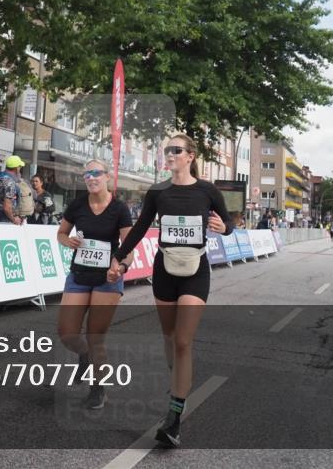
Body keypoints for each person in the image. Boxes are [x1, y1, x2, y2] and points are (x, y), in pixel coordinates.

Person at [107, 134, 234, 448]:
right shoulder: (158, 191)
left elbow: (229, 223)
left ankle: (174, 418)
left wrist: (224, 228)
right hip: (164, 268)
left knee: (182, 340)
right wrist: (119, 257)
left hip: (195, 270)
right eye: (167, 150)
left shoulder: (208, 191)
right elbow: (140, 227)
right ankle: (179, 379)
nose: (170, 154)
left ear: (190, 156)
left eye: (176, 150)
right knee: (169, 339)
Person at [57, 160, 133, 410]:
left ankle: (98, 389)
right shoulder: (78, 205)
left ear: (107, 177)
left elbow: (128, 248)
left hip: (107, 278)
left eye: (96, 173)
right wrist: (67, 241)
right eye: (86, 174)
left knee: (95, 336)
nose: (91, 178)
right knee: (67, 333)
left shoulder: (119, 209)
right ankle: (84, 354)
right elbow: (61, 233)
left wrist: (120, 267)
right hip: (79, 275)